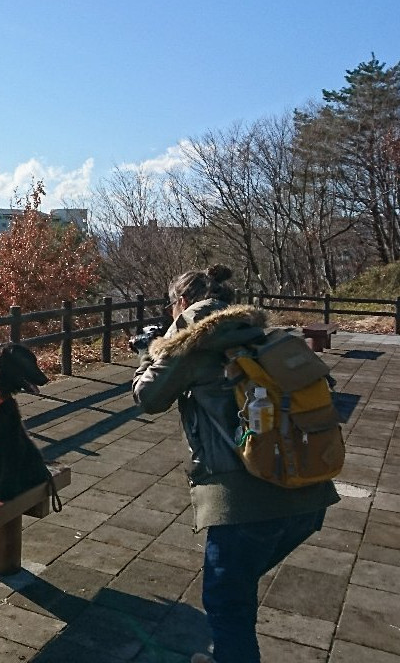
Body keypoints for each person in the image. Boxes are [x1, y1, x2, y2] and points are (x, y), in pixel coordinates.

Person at [132, 264, 339, 663]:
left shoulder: (193, 344)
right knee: (238, 590)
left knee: (228, 605)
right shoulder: (260, 332)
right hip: (309, 492)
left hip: (246, 502)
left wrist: (148, 351)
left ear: (181, 303)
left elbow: (148, 398)